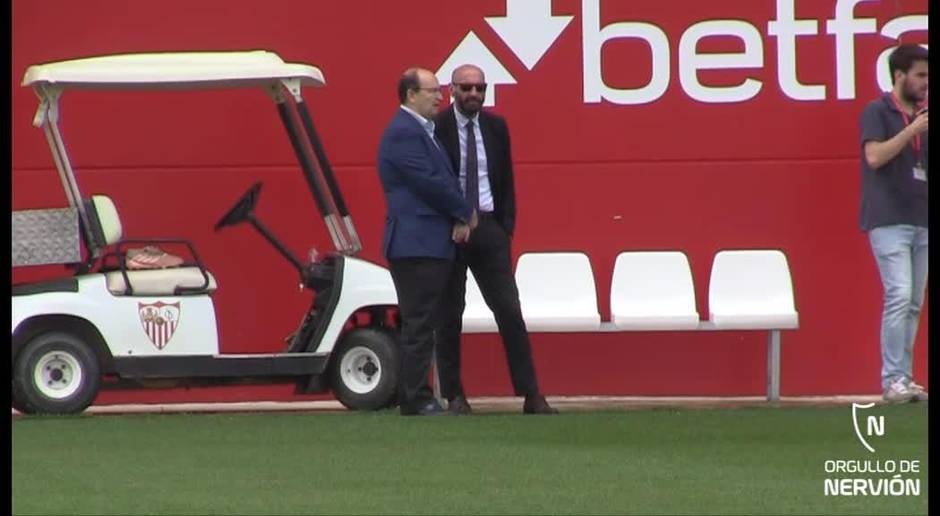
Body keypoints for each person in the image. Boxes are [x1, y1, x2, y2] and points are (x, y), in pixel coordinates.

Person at [434, 64, 558, 415]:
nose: (474, 94)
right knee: (449, 313)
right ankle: (455, 396)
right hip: (450, 230)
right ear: (452, 90)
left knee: (508, 309)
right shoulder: (436, 128)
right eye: (466, 88)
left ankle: (531, 394)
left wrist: (505, 228)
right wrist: (450, 220)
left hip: (489, 228)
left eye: (480, 88)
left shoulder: (496, 128)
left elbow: (506, 181)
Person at [377, 67, 477, 416]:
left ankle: (418, 394)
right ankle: (416, 397)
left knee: (427, 321)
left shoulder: (424, 131)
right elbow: (429, 182)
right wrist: (465, 212)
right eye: (433, 91)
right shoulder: (404, 132)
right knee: (419, 322)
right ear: (410, 95)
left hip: (429, 242)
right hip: (415, 243)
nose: (440, 97)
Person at [859, 44, 929, 403]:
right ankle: (891, 379)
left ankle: (905, 377)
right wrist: (911, 130)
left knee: (915, 301)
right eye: (919, 75)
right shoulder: (878, 111)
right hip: (888, 219)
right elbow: (874, 157)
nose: (925, 83)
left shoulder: (924, 115)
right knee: (899, 294)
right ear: (899, 76)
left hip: (922, 219)